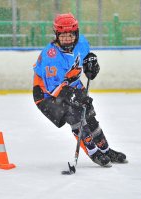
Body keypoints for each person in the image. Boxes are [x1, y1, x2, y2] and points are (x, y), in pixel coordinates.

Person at [32, 13, 127, 167]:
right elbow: (54, 89)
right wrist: (75, 97)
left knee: (89, 113)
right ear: (56, 35)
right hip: (46, 94)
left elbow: (85, 57)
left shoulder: (82, 42)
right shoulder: (52, 57)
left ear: (76, 34)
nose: (67, 39)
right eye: (63, 36)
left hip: (72, 84)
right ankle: (93, 151)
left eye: (70, 35)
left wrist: (91, 62)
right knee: (75, 114)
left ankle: (105, 149)